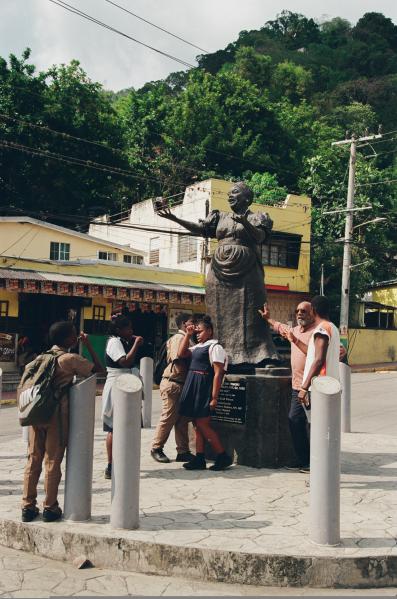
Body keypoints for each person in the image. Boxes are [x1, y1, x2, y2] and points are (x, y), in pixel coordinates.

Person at [158, 182, 279, 369]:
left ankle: (259, 355)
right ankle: (218, 353)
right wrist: (174, 218)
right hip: (219, 269)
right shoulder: (220, 216)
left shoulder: (257, 217)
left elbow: (259, 237)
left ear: (247, 198)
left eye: (235, 193)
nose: (230, 196)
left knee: (251, 313)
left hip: (248, 270)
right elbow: (201, 230)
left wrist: (244, 222)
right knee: (217, 311)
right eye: (229, 194)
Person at [21, 321, 104, 523]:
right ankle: (50, 507)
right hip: (56, 415)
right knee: (52, 460)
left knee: (33, 459)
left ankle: (27, 506)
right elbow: (99, 371)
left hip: (34, 413)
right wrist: (89, 345)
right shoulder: (69, 359)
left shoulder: (40, 358)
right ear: (67, 338)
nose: (76, 337)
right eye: (74, 334)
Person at [259, 301, 316, 472]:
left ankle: (315, 461)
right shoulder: (295, 331)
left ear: (312, 313)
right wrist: (268, 319)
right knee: (295, 420)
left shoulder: (317, 333)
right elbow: (280, 327)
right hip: (297, 388)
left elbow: (332, 351)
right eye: (297, 311)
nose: (300, 314)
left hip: (313, 387)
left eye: (304, 311)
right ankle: (303, 459)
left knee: (316, 425)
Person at [177, 315, 233, 471]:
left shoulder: (215, 347)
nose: (197, 334)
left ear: (209, 331)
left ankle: (222, 455)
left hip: (203, 388)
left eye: (200, 331)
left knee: (203, 423)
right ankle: (199, 458)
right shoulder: (197, 347)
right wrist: (188, 334)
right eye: (196, 332)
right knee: (197, 425)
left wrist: (214, 397)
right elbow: (181, 354)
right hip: (193, 386)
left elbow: (218, 373)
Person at [102, 315, 144, 479]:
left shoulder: (124, 341)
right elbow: (124, 362)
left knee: (129, 424)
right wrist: (135, 344)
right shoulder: (114, 342)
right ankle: (111, 464)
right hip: (117, 384)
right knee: (114, 426)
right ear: (119, 330)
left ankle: (126, 460)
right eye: (128, 328)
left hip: (128, 382)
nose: (131, 331)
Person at [151, 313, 195, 464]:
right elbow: (179, 356)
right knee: (169, 416)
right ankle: (156, 448)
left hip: (180, 383)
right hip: (173, 382)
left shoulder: (187, 338)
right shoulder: (179, 338)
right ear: (184, 324)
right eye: (191, 322)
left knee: (182, 419)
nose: (194, 325)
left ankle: (183, 451)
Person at [298, 295, 340, 411]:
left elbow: (319, 360)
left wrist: (304, 388)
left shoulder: (322, 329)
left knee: (317, 425)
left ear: (313, 310)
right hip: (330, 386)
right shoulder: (333, 328)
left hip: (319, 387)